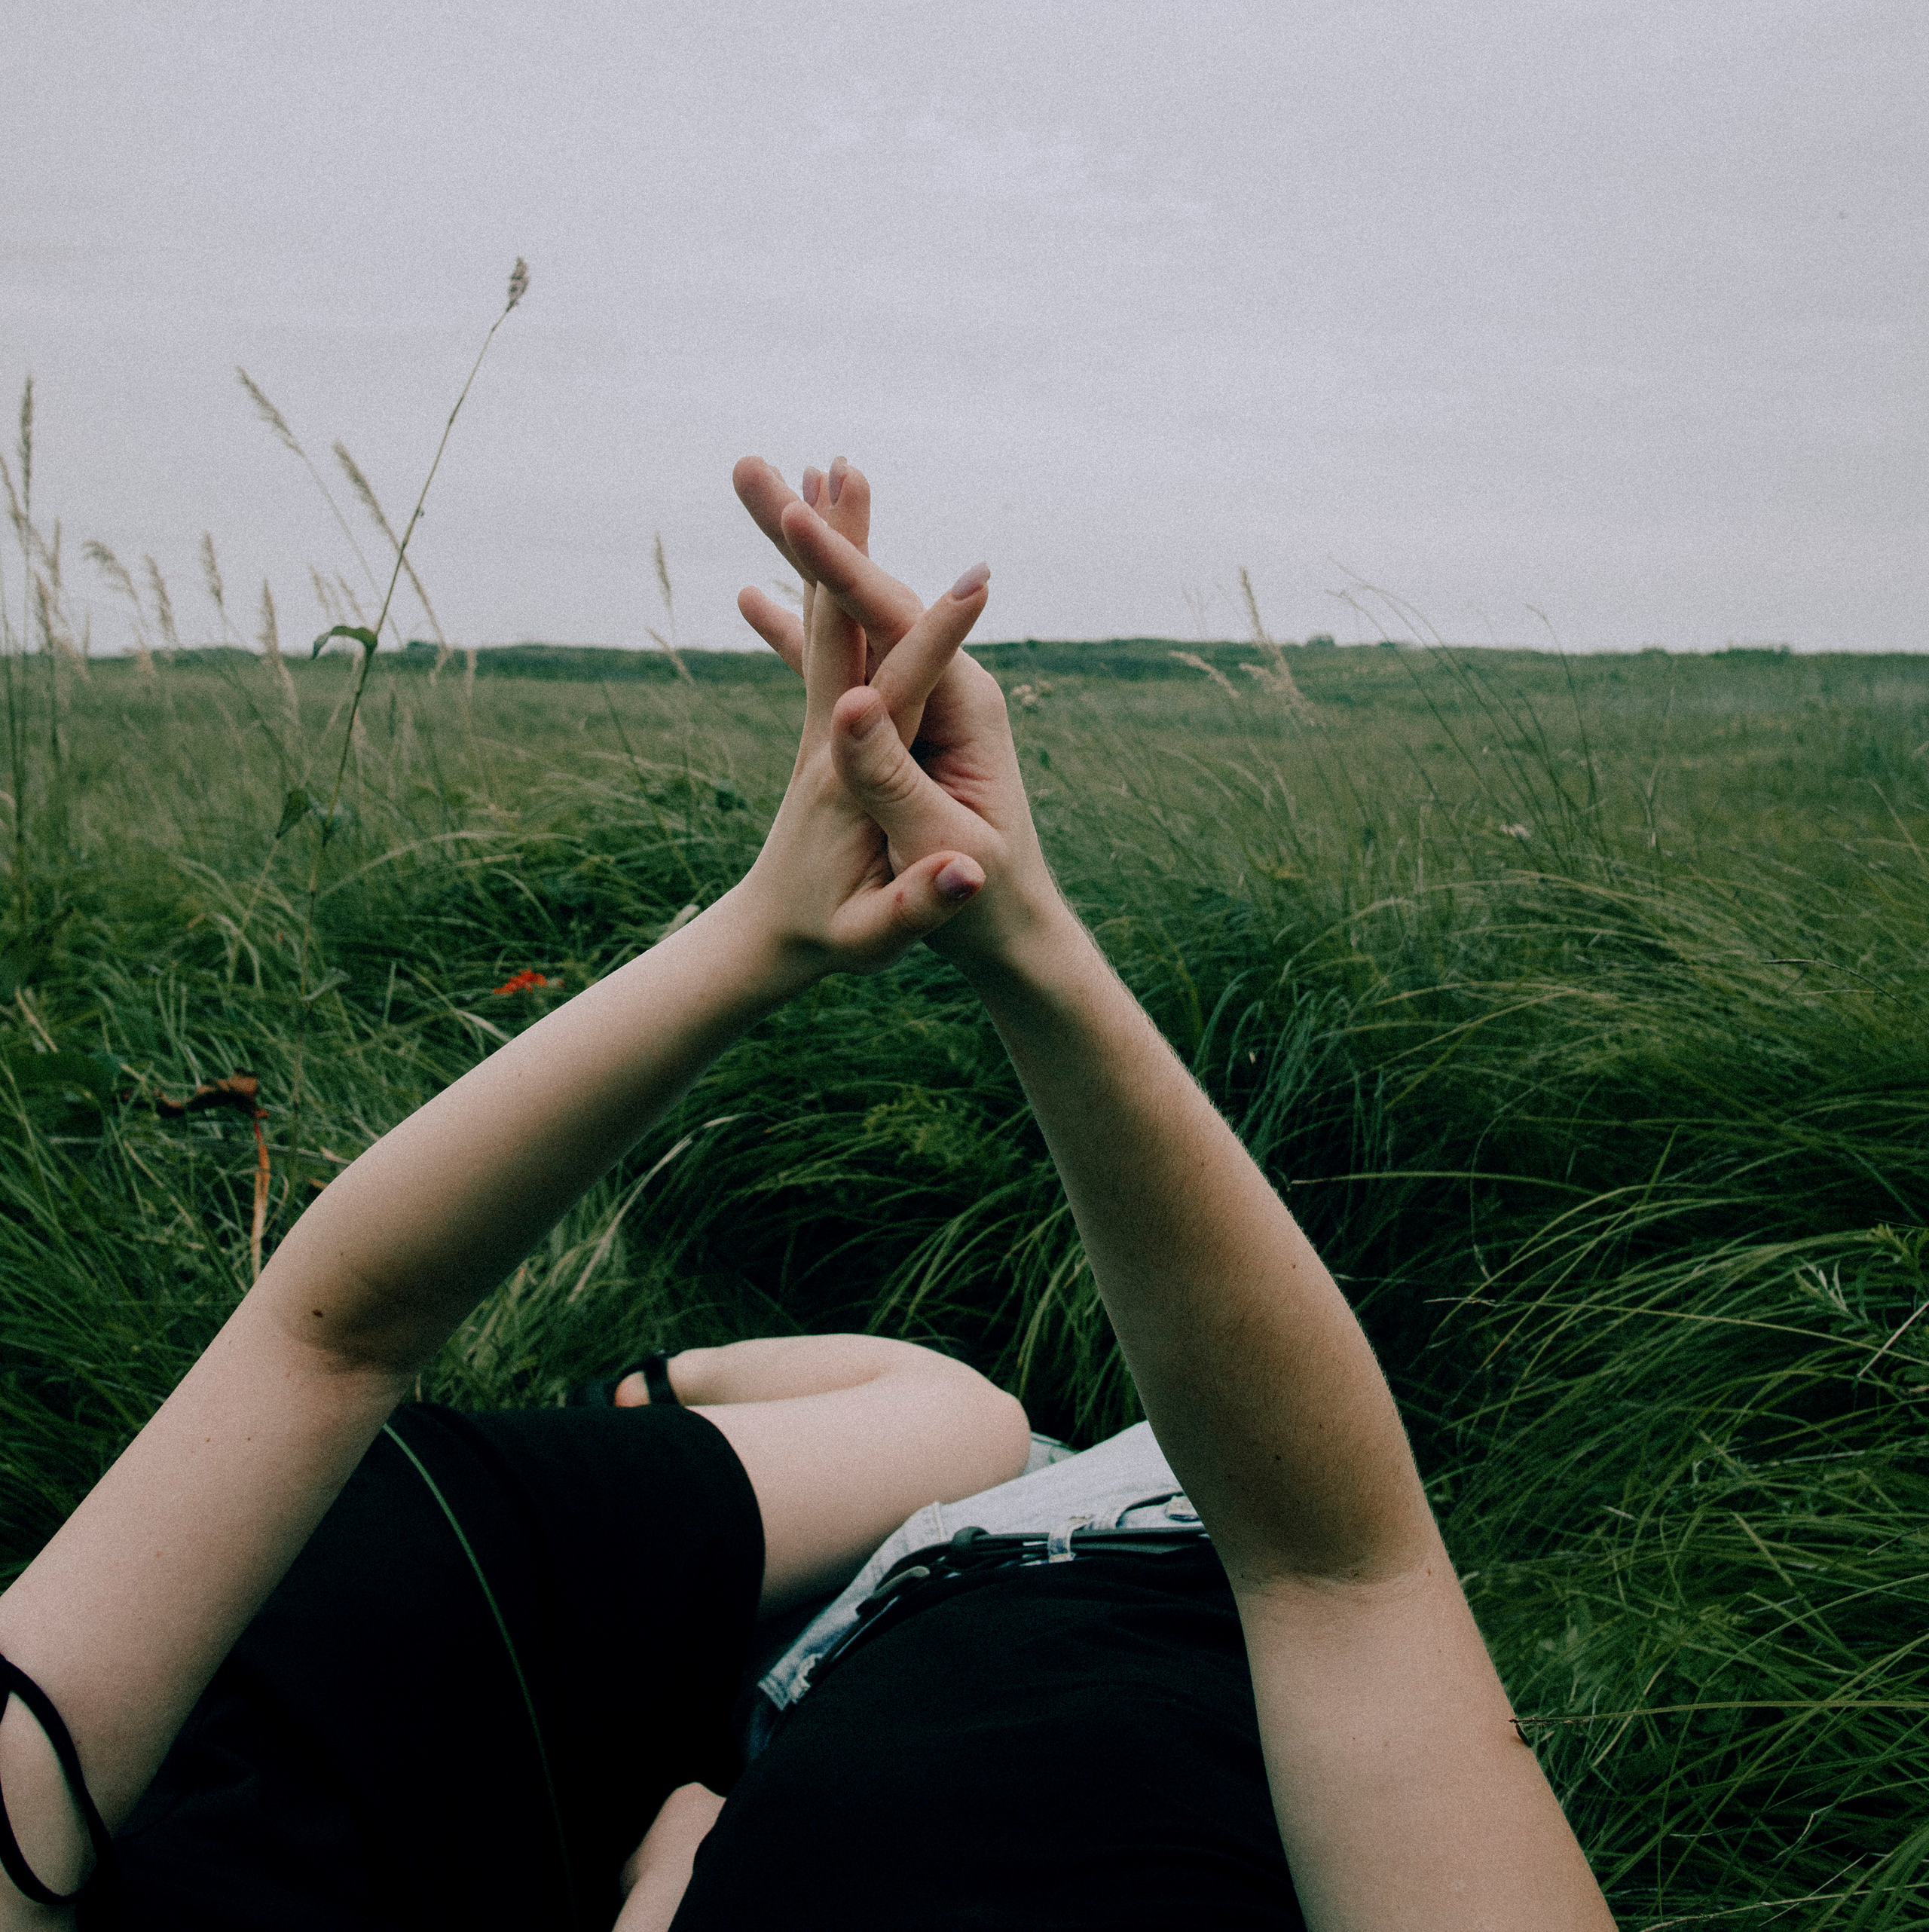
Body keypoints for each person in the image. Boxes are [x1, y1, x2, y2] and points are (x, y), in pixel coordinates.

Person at [0, 455, 1615, 1931]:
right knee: (970, 1431)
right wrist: (994, 941)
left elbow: (327, 1342)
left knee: (957, 1431)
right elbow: (1340, 1579)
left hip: (876, 1622)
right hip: (1132, 1600)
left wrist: (791, 935)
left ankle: (716, 1427)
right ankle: (735, 1428)